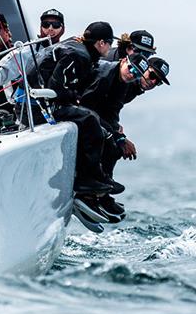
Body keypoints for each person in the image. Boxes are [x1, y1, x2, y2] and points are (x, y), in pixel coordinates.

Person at [25, 21, 123, 195]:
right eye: (109, 43)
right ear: (101, 43)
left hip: (41, 103)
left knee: (93, 118)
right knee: (90, 120)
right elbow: (57, 86)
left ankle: (99, 177)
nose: (110, 48)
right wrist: (74, 97)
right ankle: (86, 180)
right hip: (38, 109)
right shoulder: (79, 55)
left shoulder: (78, 47)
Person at [77, 53, 150, 220]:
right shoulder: (105, 74)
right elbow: (86, 107)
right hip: (78, 111)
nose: (133, 74)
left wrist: (119, 135)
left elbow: (112, 111)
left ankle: (101, 193)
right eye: (131, 68)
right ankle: (87, 192)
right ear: (123, 60)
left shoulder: (124, 82)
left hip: (91, 115)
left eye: (138, 74)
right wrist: (114, 135)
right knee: (103, 138)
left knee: (116, 146)